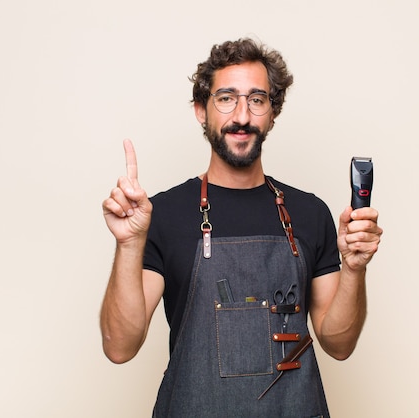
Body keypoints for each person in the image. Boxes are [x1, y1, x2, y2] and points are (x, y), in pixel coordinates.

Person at [100, 38, 382, 417]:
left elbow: (339, 343)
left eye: (257, 99)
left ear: (272, 111)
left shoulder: (310, 212)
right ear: (202, 110)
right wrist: (130, 244)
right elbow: (120, 346)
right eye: (226, 98)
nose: (242, 116)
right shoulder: (162, 214)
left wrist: (354, 268)